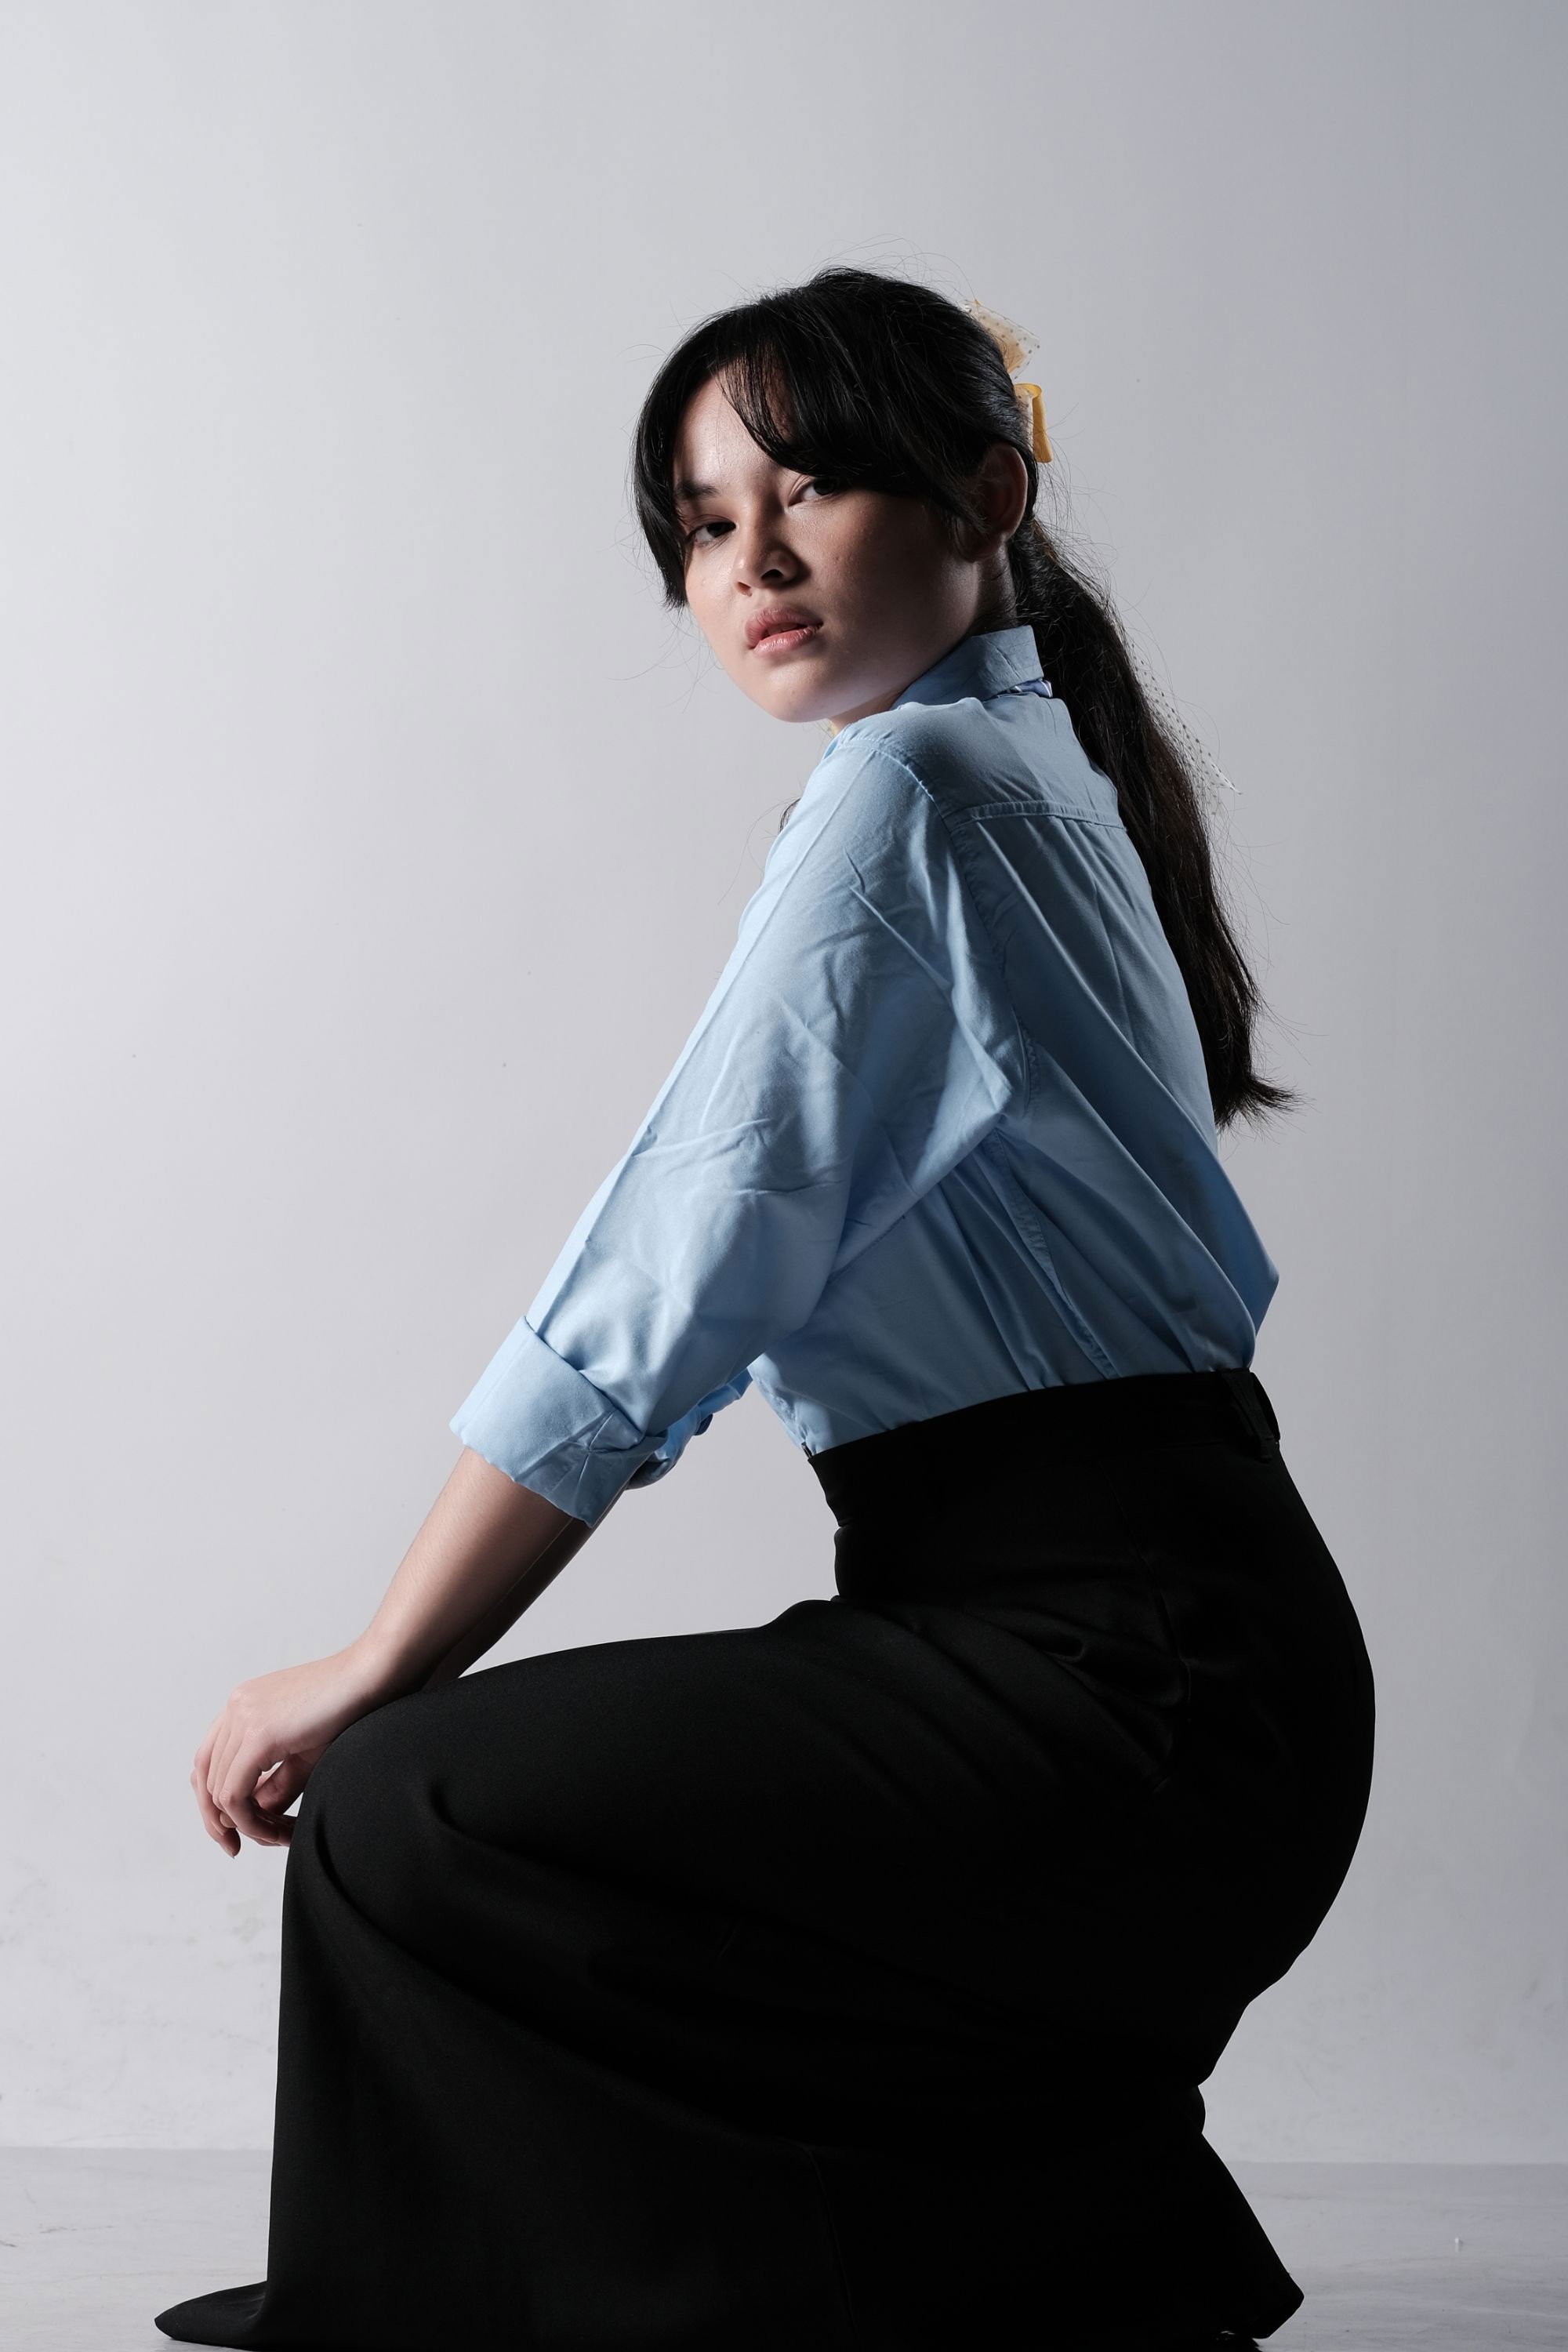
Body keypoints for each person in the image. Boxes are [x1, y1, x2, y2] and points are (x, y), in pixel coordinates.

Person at [155, 265, 1375, 2351]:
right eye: (706, 524)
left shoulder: (915, 801)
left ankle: (527, 2300)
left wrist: (370, 1667)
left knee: (404, 1802)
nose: (754, 563)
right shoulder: (1021, 771)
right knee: (541, 1810)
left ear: (986, 495)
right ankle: (1010, 2262)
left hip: (1119, 1693)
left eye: (809, 490)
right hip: (1189, 1679)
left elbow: (657, 1295)